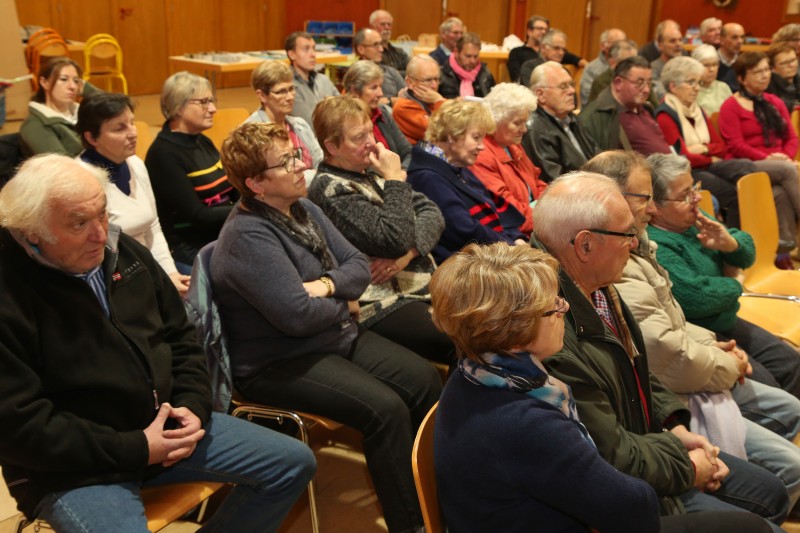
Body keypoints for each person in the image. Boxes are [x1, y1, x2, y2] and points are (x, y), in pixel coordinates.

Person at [0, 153, 317, 532]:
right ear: (32, 230)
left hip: (165, 429)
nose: (100, 233)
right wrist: (136, 447)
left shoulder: (123, 253)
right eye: (79, 224)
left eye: (102, 213)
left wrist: (192, 406)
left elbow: (181, 337)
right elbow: (20, 429)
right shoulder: (9, 294)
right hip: (73, 469)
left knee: (293, 462)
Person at [431, 242, 773, 533]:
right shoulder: (525, 422)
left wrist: (672, 442)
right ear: (517, 328)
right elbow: (630, 511)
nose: (564, 309)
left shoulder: (473, 375)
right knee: (750, 527)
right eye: (554, 306)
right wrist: (688, 467)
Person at [211, 122, 442, 533]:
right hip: (279, 361)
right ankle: (415, 525)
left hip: (332, 337)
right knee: (384, 410)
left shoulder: (305, 208)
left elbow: (357, 267)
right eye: (286, 162)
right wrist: (345, 302)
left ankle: (437, 496)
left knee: (424, 380)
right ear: (256, 184)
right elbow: (296, 317)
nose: (302, 165)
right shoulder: (247, 236)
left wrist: (328, 287)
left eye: (296, 154)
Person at [531, 171, 790, 530]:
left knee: (772, 491)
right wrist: (687, 466)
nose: (636, 243)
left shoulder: (593, 279)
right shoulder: (548, 325)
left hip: (649, 443)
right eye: (627, 234)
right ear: (585, 245)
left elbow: (636, 364)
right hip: (621, 489)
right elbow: (609, 455)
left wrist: (675, 426)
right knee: (759, 522)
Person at [586, 150, 800, 516]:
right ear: (612, 200)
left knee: (791, 386)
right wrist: (726, 354)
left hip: (707, 343)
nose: (652, 209)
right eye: (647, 198)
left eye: (694, 189)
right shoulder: (630, 255)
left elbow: (742, 251)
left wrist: (730, 249)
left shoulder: (650, 242)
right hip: (688, 379)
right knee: (782, 467)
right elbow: (685, 315)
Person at [308, 96, 452, 363]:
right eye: (358, 137)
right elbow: (393, 239)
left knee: (491, 320)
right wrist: (395, 179)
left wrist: (408, 254)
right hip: (381, 301)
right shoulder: (331, 189)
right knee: (462, 339)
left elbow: (433, 214)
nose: (372, 143)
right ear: (331, 146)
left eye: (370, 132)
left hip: (419, 284)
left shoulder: (370, 172)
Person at [646, 153, 800, 402]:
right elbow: (696, 297)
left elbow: (747, 250)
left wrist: (730, 245)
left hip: (726, 318)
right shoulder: (658, 243)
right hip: (698, 332)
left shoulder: (693, 219)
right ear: (655, 206)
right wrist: (735, 283)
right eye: (685, 195)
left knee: (791, 363)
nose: (696, 198)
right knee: (769, 387)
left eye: (694, 187)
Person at [581, 56, 743, 230]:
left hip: (668, 176)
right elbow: (600, 169)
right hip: (644, 186)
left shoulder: (645, 108)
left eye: (649, 83)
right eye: (639, 83)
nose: (645, 89)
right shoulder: (600, 115)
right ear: (618, 82)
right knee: (711, 200)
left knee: (739, 174)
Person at [656, 56, 800, 250]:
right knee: (738, 190)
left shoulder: (697, 110)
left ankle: (781, 249)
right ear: (673, 86)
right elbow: (683, 158)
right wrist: (708, 152)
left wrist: (704, 149)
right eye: (691, 82)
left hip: (714, 165)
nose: (697, 87)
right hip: (691, 173)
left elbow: (720, 147)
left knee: (777, 190)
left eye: (698, 82)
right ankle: (737, 247)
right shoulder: (666, 114)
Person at [75, 92, 191, 296]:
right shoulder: (81, 180)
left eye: (132, 123)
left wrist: (170, 273)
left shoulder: (135, 163)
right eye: (120, 128)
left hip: (148, 270)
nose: (133, 133)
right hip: (115, 281)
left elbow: (152, 226)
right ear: (91, 137)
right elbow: (92, 256)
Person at [407, 100, 526, 263]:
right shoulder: (426, 177)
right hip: (465, 267)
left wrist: (516, 238)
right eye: (476, 138)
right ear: (452, 136)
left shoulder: (454, 166)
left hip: (490, 254)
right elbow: (463, 230)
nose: (481, 147)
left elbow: (495, 209)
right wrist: (510, 245)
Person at [144, 71, 239, 272]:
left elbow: (233, 188)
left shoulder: (202, 141)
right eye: (204, 102)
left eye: (212, 101)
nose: (213, 109)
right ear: (178, 106)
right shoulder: (163, 154)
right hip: (190, 246)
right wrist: (250, 207)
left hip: (222, 234)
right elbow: (197, 215)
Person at [470, 83, 546, 236]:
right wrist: (548, 218)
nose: (524, 129)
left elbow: (537, 181)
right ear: (494, 120)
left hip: (536, 223)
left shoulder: (512, 144)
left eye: (525, 122)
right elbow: (508, 211)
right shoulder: (481, 155)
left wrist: (552, 205)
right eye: (517, 123)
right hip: (518, 235)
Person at [245, 60, 323, 182]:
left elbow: (321, 164)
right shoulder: (250, 134)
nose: (290, 97)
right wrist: (312, 176)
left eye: (291, 89)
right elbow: (272, 181)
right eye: (281, 92)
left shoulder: (300, 125)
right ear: (261, 95)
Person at [526, 61, 600, 182]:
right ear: (540, 94)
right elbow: (556, 181)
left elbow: (596, 155)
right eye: (563, 86)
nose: (572, 91)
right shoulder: (535, 130)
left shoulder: (571, 118)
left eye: (571, 84)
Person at [19, 57, 96, 158]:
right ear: (44, 82)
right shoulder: (35, 124)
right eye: (64, 79)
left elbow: (116, 108)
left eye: (76, 81)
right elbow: (62, 166)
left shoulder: (83, 112)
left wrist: (88, 90)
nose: (72, 86)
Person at [341, 60, 412, 168]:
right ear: (355, 90)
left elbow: (407, 151)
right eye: (373, 88)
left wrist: (402, 172)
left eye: (380, 86)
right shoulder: (346, 122)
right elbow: (361, 166)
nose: (380, 94)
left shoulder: (382, 112)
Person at [507, 15, 586, 83]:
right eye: (540, 29)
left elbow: (577, 60)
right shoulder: (517, 52)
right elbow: (517, 78)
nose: (544, 32)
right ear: (529, 31)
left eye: (546, 29)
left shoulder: (555, 52)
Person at [285, 31, 340, 127]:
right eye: (306, 49)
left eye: (313, 48)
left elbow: (344, 111)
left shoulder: (323, 80)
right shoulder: (288, 86)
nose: (313, 54)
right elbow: (309, 124)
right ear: (292, 54)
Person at [392, 55, 446, 145]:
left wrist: (439, 100)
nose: (434, 85)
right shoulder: (403, 107)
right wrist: (439, 101)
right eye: (428, 80)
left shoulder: (433, 99)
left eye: (436, 79)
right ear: (410, 82)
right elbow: (443, 131)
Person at [353, 28, 406, 102]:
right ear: (361, 49)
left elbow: (408, 99)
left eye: (381, 44)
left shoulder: (391, 72)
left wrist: (389, 101)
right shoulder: (354, 75)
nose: (381, 49)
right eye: (375, 45)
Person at [438, 32, 496, 99]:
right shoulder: (442, 74)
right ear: (456, 52)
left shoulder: (485, 72)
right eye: (468, 56)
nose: (472, 61)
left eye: (476, 56)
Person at [581, 28, 627, 107]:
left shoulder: (630, 67)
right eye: (616, 43)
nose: (620, 48)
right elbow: (587, 99)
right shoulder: (591, 69)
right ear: (603, 46)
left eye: (624, 43)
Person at [693, 44, 733, 115]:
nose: (712, 69)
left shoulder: (724, 87)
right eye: (706, 65)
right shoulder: (691, 90)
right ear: (695, 66)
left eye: (714, 64)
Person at [650, 22, 685, 101]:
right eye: (672, 41)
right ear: (660, 45)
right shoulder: (653, 68)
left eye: (680, 40)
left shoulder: (685, 66)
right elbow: (659, 95)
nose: (678, 44)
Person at [370, 9, 409, 74]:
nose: (387, 27)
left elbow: (412, 73)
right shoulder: (371, 53)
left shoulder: (399, 53)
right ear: (372, 27)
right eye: (382, 24)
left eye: (389, 24)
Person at [767, 43, 800, 115]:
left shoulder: (798, 81)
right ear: (773, 68)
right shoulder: (767, 87)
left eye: (793, 60)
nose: (791, 65)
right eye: (785, 63)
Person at [718, 23, 745, 92]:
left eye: (742, 37)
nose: (740, 41)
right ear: (721, 40)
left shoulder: (745, 63)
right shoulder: (711, 62)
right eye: (734, 37)